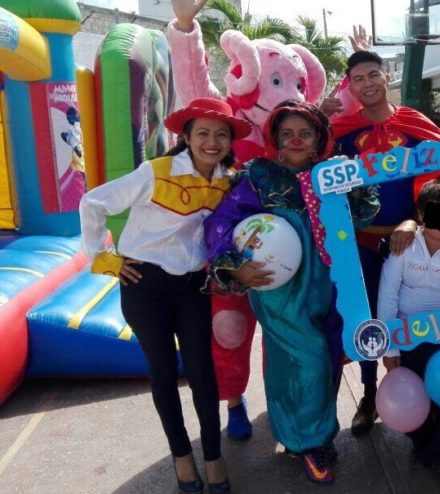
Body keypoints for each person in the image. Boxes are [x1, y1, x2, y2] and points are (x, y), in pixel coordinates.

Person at [80, 97, 252, 494]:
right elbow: (93, 202)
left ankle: (213, 455)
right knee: (162, 372)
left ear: (229, 142)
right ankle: (181, 456)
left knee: (202, 371)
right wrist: (104, 258)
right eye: (203, 133)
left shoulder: (229, 180)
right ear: (186, 137)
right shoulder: (156, 171)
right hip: (145, 285)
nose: (212, 142)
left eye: (221, 135)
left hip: (192, 285)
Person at [203, 100, 379, 484]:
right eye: (287, 133)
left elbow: (366, 209)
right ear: (276, 138)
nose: (296, 140)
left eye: (305, 132)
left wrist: (352, 177)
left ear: (318, 137)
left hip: (332, 281)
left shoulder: (333, 173)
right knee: (310, 356)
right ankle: (316, 441)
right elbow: (220, 221)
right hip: (277, 287)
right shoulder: (257, 176)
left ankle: (293, 431)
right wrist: (235, 265)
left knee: (319, 357)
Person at [331, 50, 440, 436]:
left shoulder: (415, 124)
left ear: (386, 76)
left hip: (409, 241)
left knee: (412, 318)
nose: (367, 83)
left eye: (373, 74)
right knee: (366, 319)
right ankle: (368, 394)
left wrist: (416, 220)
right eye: (358, 78)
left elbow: (437, 178)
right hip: (359, 246)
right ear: (351, 85)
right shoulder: (341, 130)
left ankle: (423, 395)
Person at [378, 180, 440, 488]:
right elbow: (388, 297)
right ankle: (424, 447)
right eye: (433, 212)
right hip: (406, 340)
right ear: (420, 214)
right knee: (407, 399)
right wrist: (390, 352)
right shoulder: (403, 246)